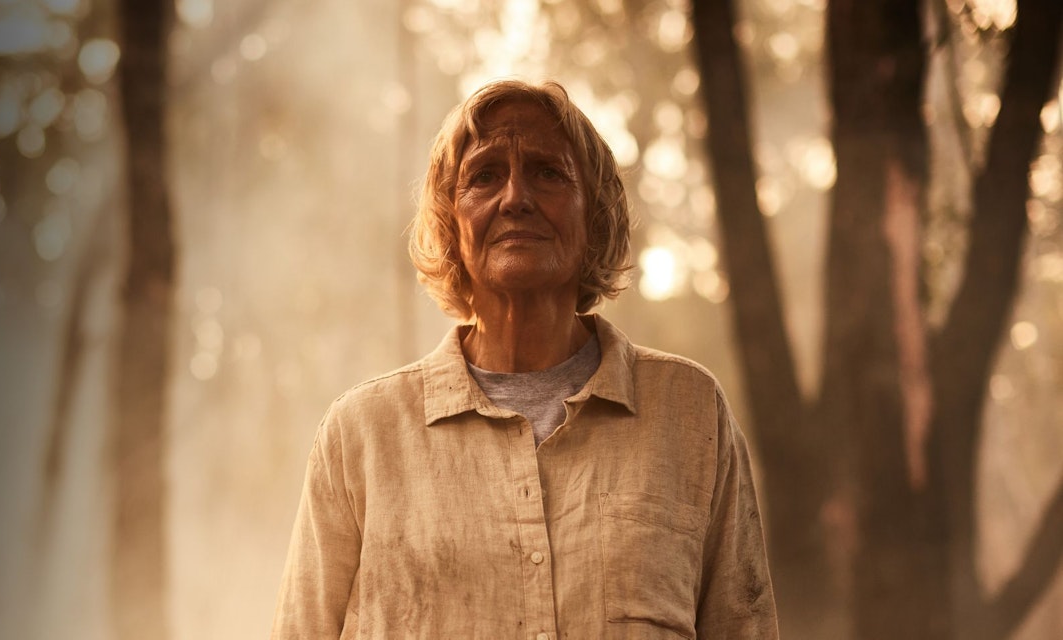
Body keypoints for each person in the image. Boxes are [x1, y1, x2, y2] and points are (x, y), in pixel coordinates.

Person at [272, 79, 779, 639]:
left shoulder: (689, 414)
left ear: (595, 216)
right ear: (450, 222)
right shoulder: (362, 436)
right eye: (485, 176)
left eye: (547, 172)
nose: (515, 197)